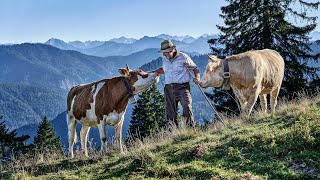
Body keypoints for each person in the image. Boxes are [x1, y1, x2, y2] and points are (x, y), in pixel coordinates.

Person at [153, 39, 200, 129]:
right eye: (163, 52)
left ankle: (190, 131)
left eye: (165, 52)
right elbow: (165, 69)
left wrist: (197, 78)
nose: (163, 54)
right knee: (170, 113)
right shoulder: (165, 59)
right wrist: (155, 72)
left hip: (182, 87)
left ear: (171, 50)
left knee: (187, 107)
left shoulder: (183, 57)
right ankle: (173, 134)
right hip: (168, 88)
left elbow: (195, 68)